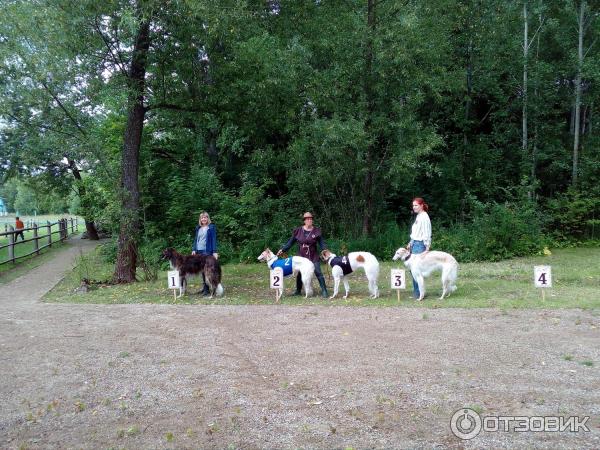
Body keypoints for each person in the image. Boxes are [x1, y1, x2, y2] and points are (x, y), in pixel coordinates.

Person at [277, 212, 329, 298]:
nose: (310, 220)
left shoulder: (316, 231)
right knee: (300, 273)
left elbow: (322, 243)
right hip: (301, 256)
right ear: (304, 221)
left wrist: (325, 250)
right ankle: (298, 291)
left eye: (311, 218)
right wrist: (283, 250)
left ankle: (324, 290)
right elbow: (290, 243)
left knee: (318, 271)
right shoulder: (298, 231)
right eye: (308, 219)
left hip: (313, 255)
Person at [406, 197, 432, 299]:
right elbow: (416, 233)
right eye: (413, 205)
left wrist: (427, 248)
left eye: (416, 205)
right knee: (413, 270)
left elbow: (426, 233)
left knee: (416, 271)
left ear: (421, 205)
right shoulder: (419, 216)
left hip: (420, 245)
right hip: (414, 244)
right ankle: (417, 292)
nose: (414, 207)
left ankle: (419, 294)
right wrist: (410, 242)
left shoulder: (424, 217)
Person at [191, 211, 218, 296]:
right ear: (200, 219)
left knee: (209, 270)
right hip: (199, 252)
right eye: (202, 217)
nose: (204, 219)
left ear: (208, 218)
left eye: (205, 217)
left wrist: (214, 251)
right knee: (202, 270)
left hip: (207, 251)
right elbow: (196, 239)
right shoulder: (198, 228)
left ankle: (212, 288)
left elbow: (214, 240)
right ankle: (205, 289)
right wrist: (194, 249)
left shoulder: (211, 227)